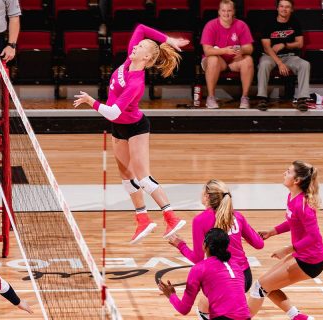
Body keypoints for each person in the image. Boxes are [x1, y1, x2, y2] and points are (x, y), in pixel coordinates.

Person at [73, 24, 189, 244]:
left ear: (146, 58)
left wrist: (91, 102)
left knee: (142, 177)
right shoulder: (129, 60)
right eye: (138, 44)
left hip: (136, 128)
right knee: (127, 178)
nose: (136, 45)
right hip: (119, 129)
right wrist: (169, 39)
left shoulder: (136, 83)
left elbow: (113, 112)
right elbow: (140, 28)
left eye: (141, 46)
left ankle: (171, 217)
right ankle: (143, 220)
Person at [168, 179, 263, 319]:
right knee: (215, 307)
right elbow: (259, 244)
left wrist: (180, 245)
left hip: (221, 277)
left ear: (207, 196)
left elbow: (198, 259)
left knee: (206, 308)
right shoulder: (237, 216)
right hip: (244, 276)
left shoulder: (200, 220)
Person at [248, 161, 323, 320]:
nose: (284, 173)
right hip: (302, 256)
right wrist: (272, 232)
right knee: (264, 285)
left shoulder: (303, 204)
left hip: (310, 261)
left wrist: (287, 249)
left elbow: (314, 237)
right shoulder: (292, 197)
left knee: (260, 287)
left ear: (297, 180)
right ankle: (297, 317)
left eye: (288, 172)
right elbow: (292, 221)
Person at [159, 228, 251, 319]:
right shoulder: (237, 267)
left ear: (204, 245)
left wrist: (171, 295)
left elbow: (184, 309)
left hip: (223, 318)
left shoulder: (199, 269)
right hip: (246, 317)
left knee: (203, 308)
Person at [257, 0, 310, 112]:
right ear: (277, 8)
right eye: (281, 6)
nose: (284, 9)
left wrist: (284, 44)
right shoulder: (268, 22)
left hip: (289, 56)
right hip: (270, 56)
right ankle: (262, 98)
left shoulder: (295, 22)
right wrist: (279, 63)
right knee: (264, 64)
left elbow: (300, 44)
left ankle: (302, 99)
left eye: (287, 7)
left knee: (305, 64)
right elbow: (267, 47)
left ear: (291, 9)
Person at [200, 0, 254, 109]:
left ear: (234, 11)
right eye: (223, 10)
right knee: (213, 59)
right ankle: (210, 97)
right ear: (219, 12)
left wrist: (241, 50)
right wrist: (225, 50)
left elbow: (250, 48)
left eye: (229, 10)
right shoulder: (211, 25)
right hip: (217, 60)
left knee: (248, 59)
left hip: (234, 60)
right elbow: (207, 51)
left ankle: (245, 97)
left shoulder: (241, 25)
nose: (226, 13)